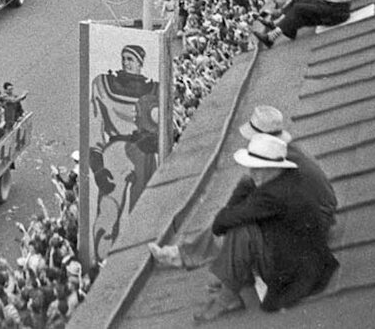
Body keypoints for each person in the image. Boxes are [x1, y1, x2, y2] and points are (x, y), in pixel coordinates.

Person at [149, 105, 338, 270]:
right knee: (245, 190)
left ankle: (191, 256)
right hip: (320, 215)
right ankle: (187, 253)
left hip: (310, 228)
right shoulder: (288, 152)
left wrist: (228, 216)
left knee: (242, 226)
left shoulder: (281, 170)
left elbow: (245, 211)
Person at [189, 133, 339, 321]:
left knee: (240, 231)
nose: (253, 174)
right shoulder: (289, 179)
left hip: (292, 271)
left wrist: (239, 196)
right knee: (244, 225)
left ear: (270, 168)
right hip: (307, 258)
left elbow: (222, 221)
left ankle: (227, 297)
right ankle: (231, 284)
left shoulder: (271, 195)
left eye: (257, 169)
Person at [89, 42, 159, 260]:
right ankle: (102, 260)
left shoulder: (155, 90)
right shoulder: (102, 85)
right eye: (124, 58)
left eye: (131, 59)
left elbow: (161, 125)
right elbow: (95, 125)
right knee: (108, 210)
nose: (126, 63)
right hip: (116, 151)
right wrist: (98, 167)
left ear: (140, 63)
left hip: (143, 151)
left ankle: (135, 260)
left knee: (142, 211)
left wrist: (153, 141)